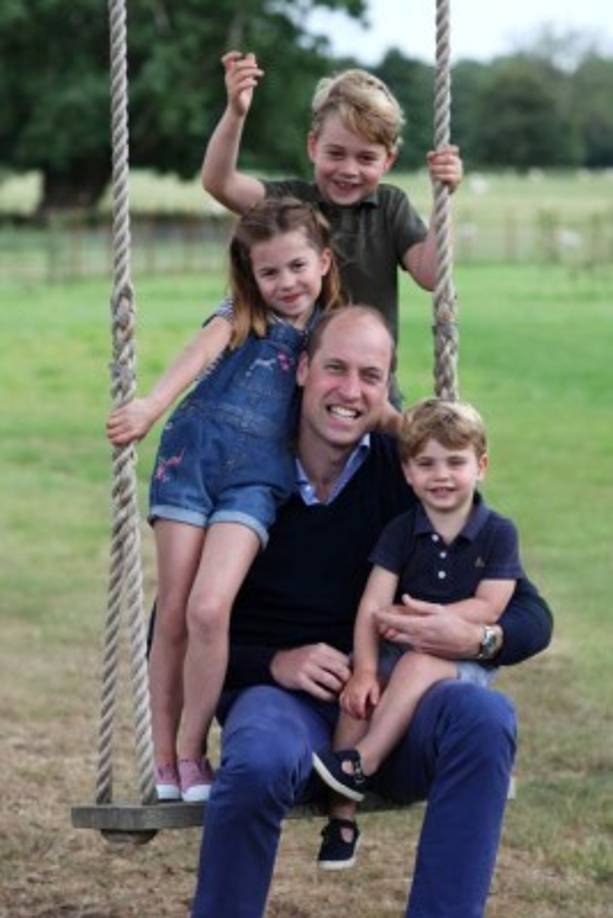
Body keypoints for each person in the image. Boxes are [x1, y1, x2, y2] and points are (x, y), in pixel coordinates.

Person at [191, 306, 553, 918]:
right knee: (255, 757)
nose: (350, 391)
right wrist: (275, 661)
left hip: (398, 707)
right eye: (335, 368)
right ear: (303, 369)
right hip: (288, 707)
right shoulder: (248, 474)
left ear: (386, 388)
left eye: (370, 375)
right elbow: (172, 629)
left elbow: (531, 615)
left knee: (484, 717)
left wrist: (472, 637)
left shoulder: (407, 472)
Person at [106, 198, 343, 803]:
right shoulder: (242, 313)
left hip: (258, 480)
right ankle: (163, 759)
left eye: (296, 267)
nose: (285, 283)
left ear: (322, 261)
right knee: (177, 610)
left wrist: (412, 427)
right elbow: (199, 354)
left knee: (212, 610)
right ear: (251, 275)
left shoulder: (329, 331)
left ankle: (192, 751)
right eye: (270, 272)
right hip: (192, 461)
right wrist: (150, 407)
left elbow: (353, 395)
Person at [312, 397, 524, 870]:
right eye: (426, 463)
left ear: (481, 466)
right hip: (399, 645)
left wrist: (434, 624)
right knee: (356, 697)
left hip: (460, 657)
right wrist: (365, 671)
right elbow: (372, 604)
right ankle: (342, 819)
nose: (442, 475)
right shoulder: (401, 531)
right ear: (407, 472)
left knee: (418, 661)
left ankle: (363, 762)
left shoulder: (498, 534)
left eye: (455, 462)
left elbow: (492, 604)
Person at [201, 55, 463, 342]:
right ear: (313, 146)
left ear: (387, 161)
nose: (349, 170)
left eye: (366, 158)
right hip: (296, 382)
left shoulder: (390, 207)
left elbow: (432, 276)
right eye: (336, 154)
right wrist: (236, 113)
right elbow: (220, 183)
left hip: (368, 380)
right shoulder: (289, 203)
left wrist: (444, 195)